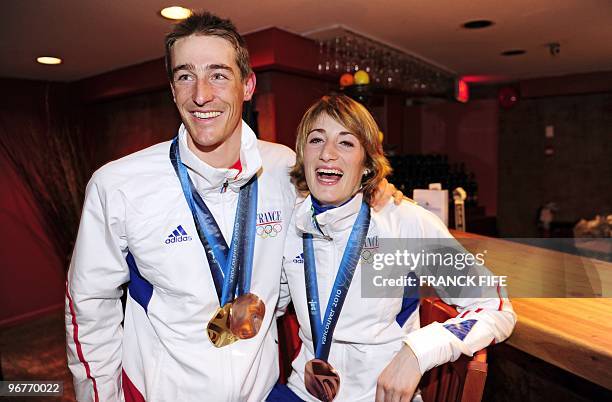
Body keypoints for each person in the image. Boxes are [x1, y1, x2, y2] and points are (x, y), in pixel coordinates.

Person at [65, 12, 400, 402]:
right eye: (185, 76)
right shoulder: (118, 185)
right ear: (172, 89)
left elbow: (340, 208)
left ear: (247, 85)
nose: (201, 94)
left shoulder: (285, 169)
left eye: (219, 75)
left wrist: (379, 191)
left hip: (262, 391)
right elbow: (88, 305)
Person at [273, 95, 517, 402]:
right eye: (316, 140)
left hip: (378, 396)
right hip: (303, 393)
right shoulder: (288, 222)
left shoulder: (405, 222)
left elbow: (496, 308)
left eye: (346, 143)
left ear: (366, 165)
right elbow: (271, 301)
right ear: (303, 156)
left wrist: (418, 352)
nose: (327, 153)